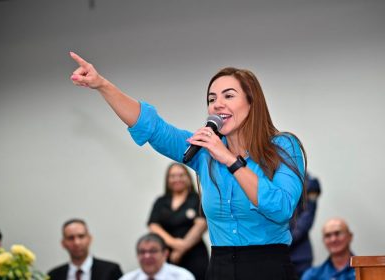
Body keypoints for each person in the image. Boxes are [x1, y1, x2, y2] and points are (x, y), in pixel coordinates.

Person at [69, 52, 306, 280]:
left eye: (228, 96)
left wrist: (229, 159)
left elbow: (281, 207)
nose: (217, 104)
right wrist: (101, 84)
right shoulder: (203, 153)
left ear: (252, 103)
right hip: (219, 268)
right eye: (211, 99)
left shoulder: (283, 146)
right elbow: (153, 127)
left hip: (269, 268)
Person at [148, 162, 209, 280]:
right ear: (167, 179)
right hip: (166, 256)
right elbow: (153, 226)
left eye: (181, 175)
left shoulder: (197, 199)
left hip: (195, 255)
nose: (177, 179)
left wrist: (181, 250)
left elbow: (201, 225)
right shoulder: (161, 201)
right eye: (173, 176)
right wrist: (175, 244)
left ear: (188, 177)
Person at [48, 219, 123, 280]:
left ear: (89, 239)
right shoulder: (53, 276)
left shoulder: (110, 271)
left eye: (81, 236)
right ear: (63, 243)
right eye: (71, 238)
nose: (76, 242)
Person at [120, 232, 195, 280]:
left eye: (153, 251)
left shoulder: (182, 277)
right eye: (142, 252)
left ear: (165, 254)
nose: (147, 256)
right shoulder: (128, 278)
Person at [289, 173, 321, 278]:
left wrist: (285, 241)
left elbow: (306, 219)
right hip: (272, 254)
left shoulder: (308, 182)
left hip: (299, 255)